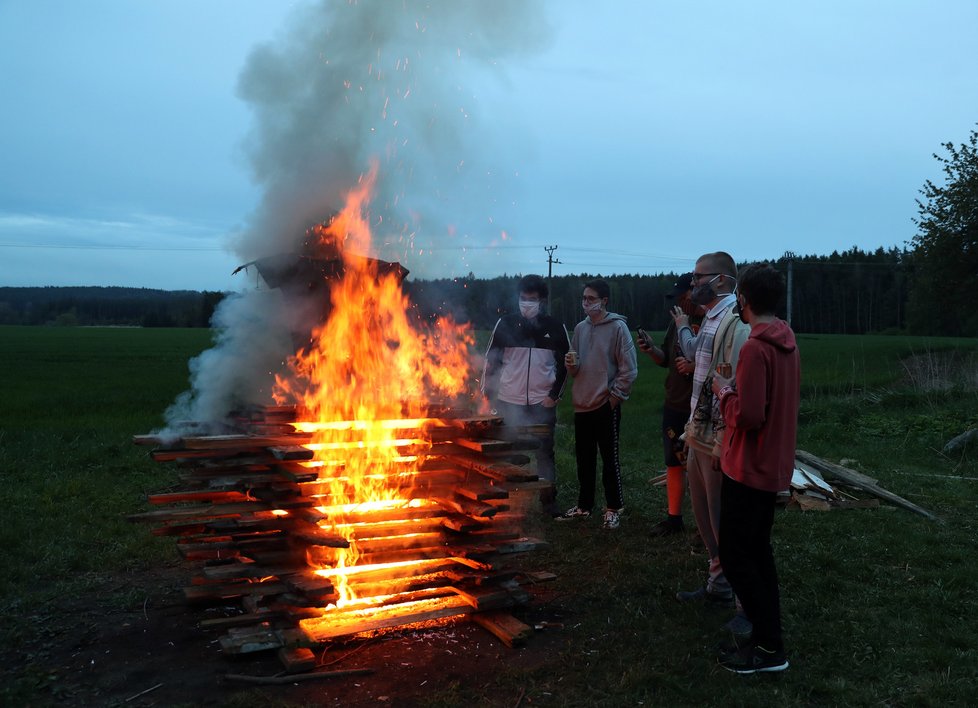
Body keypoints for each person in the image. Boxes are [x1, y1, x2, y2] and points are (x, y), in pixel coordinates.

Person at [712, 263, 800, 674]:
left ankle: (768, 647)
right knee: (759, 554)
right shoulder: (787, 339)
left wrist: (723, 393)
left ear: (743, 299)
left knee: (735, 555)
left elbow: (748, 416)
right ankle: (769, 643)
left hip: (747, 467)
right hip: (772, 466)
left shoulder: (754, 348)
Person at [671, 252, 749, 605]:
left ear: (721, 280)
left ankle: (738, 595)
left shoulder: (735, 322)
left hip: (717, 439)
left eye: (698, 277)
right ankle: (718, 582)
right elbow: (700, 371)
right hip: (698, 432)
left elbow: (729, 385)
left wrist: (721, 441)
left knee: (722, 518)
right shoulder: (710, 319)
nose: (693, 283)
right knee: (703, 513)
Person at [482, 274, 570, 516]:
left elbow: (566, 365)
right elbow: (491, 362)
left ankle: (549, 502)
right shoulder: (505, 323)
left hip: (542, 403)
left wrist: (554, 395)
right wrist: (487, 395)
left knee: (544, 453)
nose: (526, 303)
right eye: (523, 299)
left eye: (532, 299)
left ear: (542, 301)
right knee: (506, 452)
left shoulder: (555, 326)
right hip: (509, 401)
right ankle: (503, 502)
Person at [558, 279, 638, 530]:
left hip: (605, 404)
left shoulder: (617, 328)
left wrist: (614, 399)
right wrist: (571, 365)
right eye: (583, 298)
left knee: (609, 459)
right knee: (584, 459)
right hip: (582, 403)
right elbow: (575, 366)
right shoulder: (580, 328)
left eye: (591, 298)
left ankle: (613, 508)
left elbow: (629, 369)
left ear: (604, 301)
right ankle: (584, 506)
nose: (585, 303)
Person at [637, 273, 702, 537]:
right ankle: (674, 519)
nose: (678, 303)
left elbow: (723, 364)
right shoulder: (677, 322)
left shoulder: (712, 322)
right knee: (674, 462)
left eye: (682, 296)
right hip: (674, 402)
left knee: (701, 467)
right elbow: (666, 359)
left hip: (700, 407)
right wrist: (651, 350)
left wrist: (694, 365)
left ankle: (707, 524)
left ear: (694, 293)